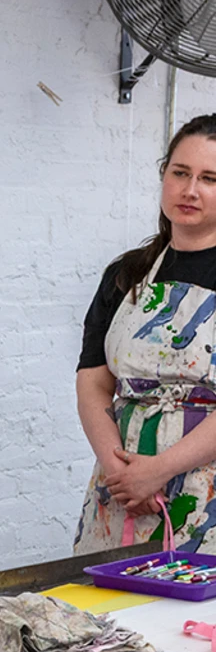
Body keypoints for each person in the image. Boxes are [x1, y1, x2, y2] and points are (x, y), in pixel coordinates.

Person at [75, 114, 216, 553]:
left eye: (210, 179)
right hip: (122, 491)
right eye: (180, 173)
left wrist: (159, 470)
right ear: (164, 176)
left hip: (205, 490)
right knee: (109, 616)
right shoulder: (126, 275)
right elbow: (94, 380)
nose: (190, 190)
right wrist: (120, 471)